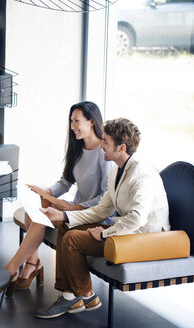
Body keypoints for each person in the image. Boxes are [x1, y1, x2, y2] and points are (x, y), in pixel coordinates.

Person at [34, 117, 170, 319]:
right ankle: (76, 294)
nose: (101, 146)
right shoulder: (116, 171)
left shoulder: (142, 174)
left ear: (121, 147)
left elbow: (137, 219)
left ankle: (81, 295)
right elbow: (100, 210)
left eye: (105, 142)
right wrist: (63, 215)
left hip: (146, 237)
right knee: (65, 227)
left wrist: (105, 234)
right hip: (127, 230)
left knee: (72, 239)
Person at [1, 101, 112, 296]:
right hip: (76, 207)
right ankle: (31, 263)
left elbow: (105, 200)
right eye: (71, 121)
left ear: (92, 122)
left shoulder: (104, 154)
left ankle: (13, 268)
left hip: (93, 214)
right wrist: (47, 192)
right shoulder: (78, 148)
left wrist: (72, 207)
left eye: (76, 121)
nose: (72, 127)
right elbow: (65, 181)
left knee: (42, 216)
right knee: (36, 209)